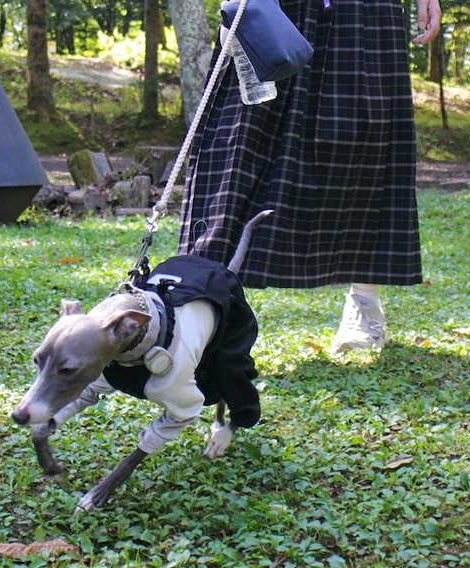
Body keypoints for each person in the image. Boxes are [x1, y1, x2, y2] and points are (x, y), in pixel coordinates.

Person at [178, 0, 442, 353]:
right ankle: (201, 308)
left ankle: (365, 305)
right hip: (270, 5)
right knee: (237, 145)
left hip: (365, 10)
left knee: (364, 139)